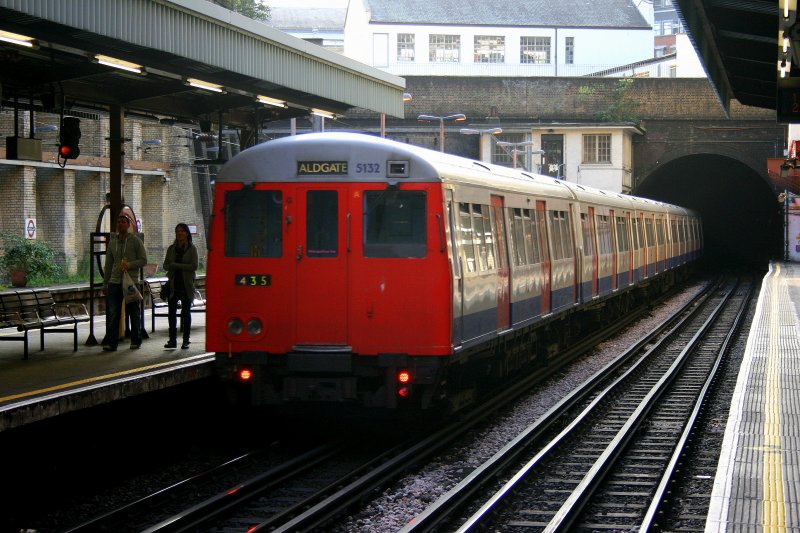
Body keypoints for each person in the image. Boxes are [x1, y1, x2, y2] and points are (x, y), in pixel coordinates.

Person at [103, 214, 147, 351]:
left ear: (128, 225)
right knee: (113, 312)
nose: (121, 224)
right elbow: (109, 264)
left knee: (133, 312)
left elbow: (143, 260)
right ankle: (112, 342)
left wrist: (129, 264)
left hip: (131, 282)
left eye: (123, 222)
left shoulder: (135, 241)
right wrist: (105, 283)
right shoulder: (112, 243)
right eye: (119, 222)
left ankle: (135, 340)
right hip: (115, 282)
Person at [162, 223, 199, 349]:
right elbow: (166, 265)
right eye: (177, 231)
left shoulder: (192, 249)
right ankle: (172, 340)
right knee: (171, 313)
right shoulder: (171, 248)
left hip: (186, 285)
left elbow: (194, 266)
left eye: (182, 231)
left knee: (186, 312)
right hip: (173, 285)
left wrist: (177, 266)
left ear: (187, 233)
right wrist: (172, 266)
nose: (179, 233)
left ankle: (186, 340)